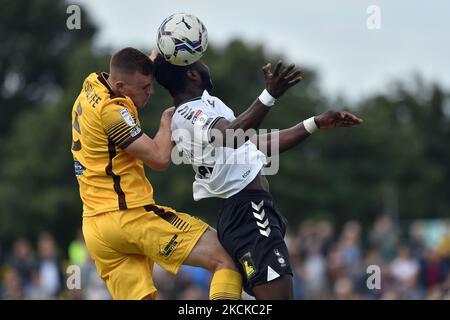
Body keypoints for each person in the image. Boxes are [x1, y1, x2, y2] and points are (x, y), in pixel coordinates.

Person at [154, 54, 363, 299]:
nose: (205, 63)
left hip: (247, 213)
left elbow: (255, 144)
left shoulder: (203, 107)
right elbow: (232, 135)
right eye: (200, 60)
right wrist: (269, 95)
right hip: (249, 215)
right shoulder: (192, 113)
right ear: (191, 74)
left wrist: (313, 123)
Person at [71, 47, 243, 300]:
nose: (150, 91)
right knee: (225, 259)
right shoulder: (112, 112)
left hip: (96, 230)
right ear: (120, 85)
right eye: (144, 88)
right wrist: (167, 123)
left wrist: (163, 49)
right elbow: (160, 158)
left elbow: (135, 67)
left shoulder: (92, 83)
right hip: (129, 217)